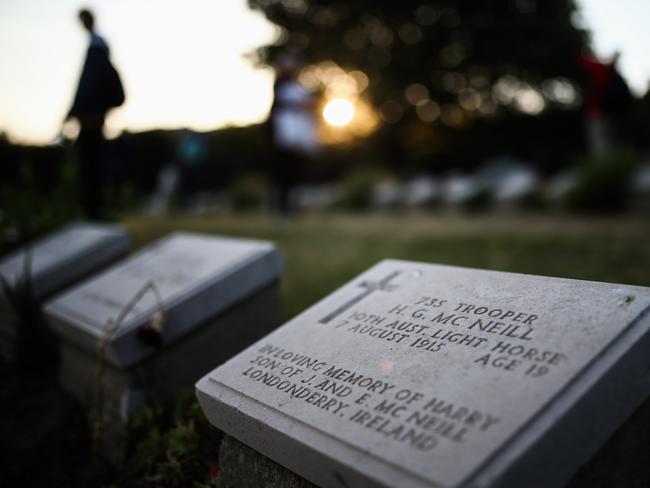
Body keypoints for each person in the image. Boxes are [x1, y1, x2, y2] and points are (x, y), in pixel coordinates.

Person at [66, 9, 124, 219]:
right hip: (92, 117)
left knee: (92, 165)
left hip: (93, 119)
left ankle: (94, 211)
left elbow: (88, 85)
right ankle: (93, 210)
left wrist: (78, 109)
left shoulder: (97, 48)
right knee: (91, 165)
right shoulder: (96, 47)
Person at [268, 55, 317, 215]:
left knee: (296, 173)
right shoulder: (281, 88)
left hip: (298, 139)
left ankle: (293, 207)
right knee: (283, 174)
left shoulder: (298, 88)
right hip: (285, 139)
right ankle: (282, 208)